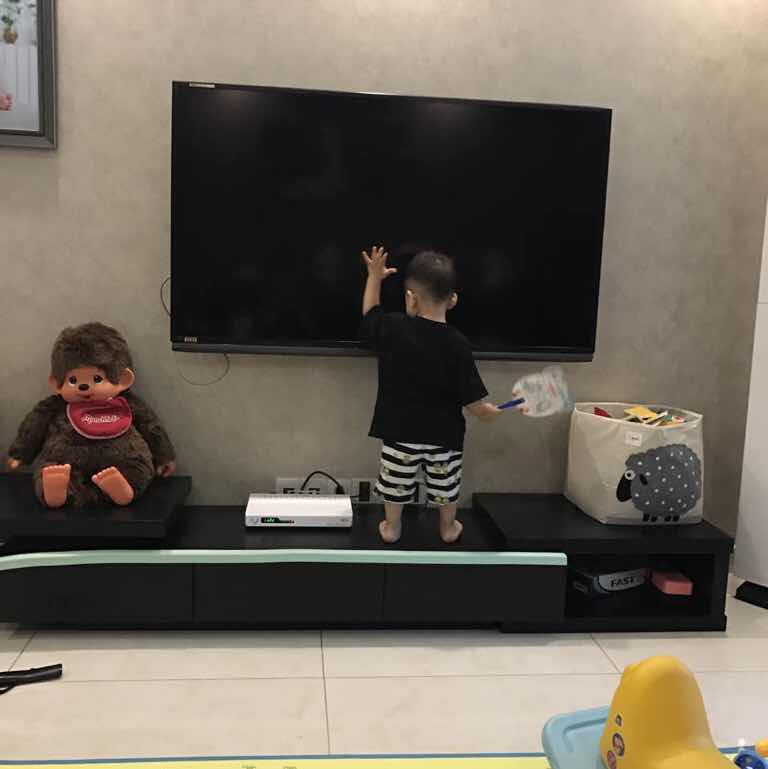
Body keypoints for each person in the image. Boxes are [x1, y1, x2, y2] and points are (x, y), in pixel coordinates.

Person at [359, 245, 502, 544]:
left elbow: (370, 315)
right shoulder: (458, 343)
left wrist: (374, 278)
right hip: (443, 437)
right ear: (453, 300)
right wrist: (488, 412)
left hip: (399, 432)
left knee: (395, 484)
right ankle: (448, 528)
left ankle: (392, 527)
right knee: (445, 486)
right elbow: (472, 398)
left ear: (410, 298)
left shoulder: (394, 328)